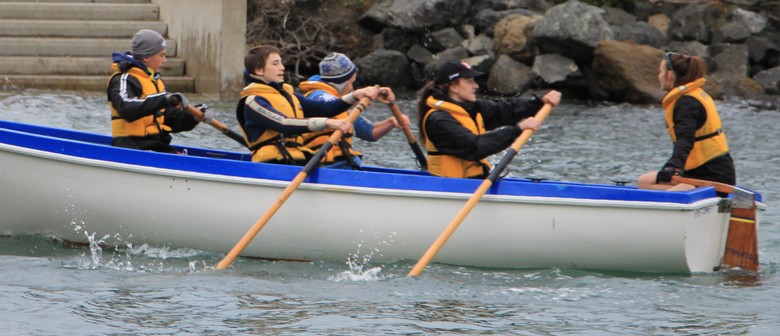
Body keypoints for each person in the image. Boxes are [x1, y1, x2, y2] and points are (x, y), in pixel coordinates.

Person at [237, 45, 386, 165]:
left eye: (281, 62)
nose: (282, 67)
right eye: (275, 64)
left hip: (295, 161)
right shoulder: (253, 101)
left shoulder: (289, 96)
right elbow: (284, 123)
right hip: (272, 165)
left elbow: (327, 108)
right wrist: (327, 123)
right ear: (258, 70)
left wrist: (355, 95)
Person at [418, 61, 561, 178]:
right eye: (469, 81)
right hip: (449, 187)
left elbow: (506, 109)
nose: (476, 86)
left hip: (471, 183)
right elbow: (475, 147)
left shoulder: (472, 108)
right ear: (454, 87)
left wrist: (539, 102)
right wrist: (516, 131)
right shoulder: (438, 120)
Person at [637, 51, 735, 191]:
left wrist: (673, 166)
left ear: (669, 75)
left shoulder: (687, 103)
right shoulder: (689, 96)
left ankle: (688, 192)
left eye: (660, 72)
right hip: (696, 170)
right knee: (644, 182)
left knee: (671, 195)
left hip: (713, 174)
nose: (659, 76)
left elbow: (685, 139)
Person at [298, 52, 409, 169]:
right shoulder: (318, 96)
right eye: (351, 83)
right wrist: (356, 96)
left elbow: (369, 132)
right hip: (325, 167)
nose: (352, 87)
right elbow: (330, 107)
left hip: (342, 165)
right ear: (341, 83)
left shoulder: (341, 106)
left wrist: (391, 122)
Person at [107, 29, 205, 153]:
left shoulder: (155, 81)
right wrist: (164, 100)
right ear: (147, 57)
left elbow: (170, 121)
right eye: (161, 55)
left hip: (155, 145)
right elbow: (126, 108)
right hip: (130, 148)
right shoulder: (124, 79)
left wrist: (194, 116)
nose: (165, 60)